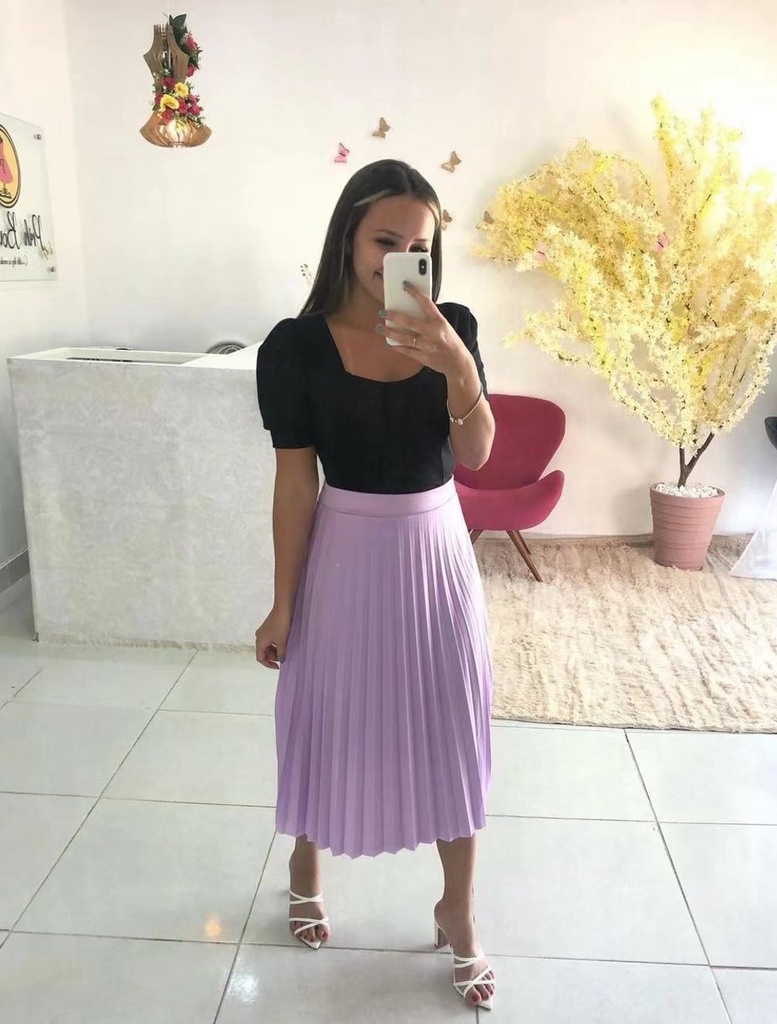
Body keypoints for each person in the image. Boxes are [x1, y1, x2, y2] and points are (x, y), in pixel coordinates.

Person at [254, 159, 497, 1010]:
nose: (399, 259)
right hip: (345, 551)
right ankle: (306, 860)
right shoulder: (294, 348)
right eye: (383, 241)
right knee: (327, 715)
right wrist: (283, 602)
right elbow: (295, 482)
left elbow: (477, 456)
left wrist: (458, 367)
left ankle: (458, 908)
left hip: (437, 552)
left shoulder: (453, 327)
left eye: (416, 246)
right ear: (348, 240)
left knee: (452, 726)